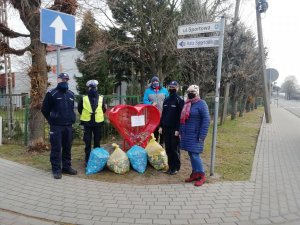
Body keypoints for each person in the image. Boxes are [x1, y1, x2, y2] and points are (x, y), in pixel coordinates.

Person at [41, 72, 77, 179]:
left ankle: (66, 167)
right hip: (56, 126)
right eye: (63, 79)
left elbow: (71, 109)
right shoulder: (51, 94)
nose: (64, 81)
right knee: (56, 148)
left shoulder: (71, 94)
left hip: (68, 126)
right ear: (58, 80)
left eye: (66, 79)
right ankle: (56, 169)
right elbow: (44, 109)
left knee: (67, 147)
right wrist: (52, 120)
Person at [179, 85, 210, 186]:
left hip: (196, 134)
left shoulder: (202, 104)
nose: (190, 93)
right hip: (187, 134)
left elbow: (206, 120)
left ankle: (202, 175)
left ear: (197, 92)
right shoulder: (187, 103)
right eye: (188, 92)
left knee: (195, 155)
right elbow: (183, 120)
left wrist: (202, 134)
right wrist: (181, 131)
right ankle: (195, 173)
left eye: (192, 91)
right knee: (191, 154)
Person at [78, 80, 107, 164]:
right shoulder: (84, 98)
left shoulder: (101, 98)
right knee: (87, 141)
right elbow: (80, 109)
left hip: (98, 122)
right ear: (89, 88)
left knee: (97, 141)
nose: (93, 89)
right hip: (87, 123)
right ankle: (87, 159)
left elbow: (103, 109)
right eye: (92, 87)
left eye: (94, 87)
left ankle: (96, 158)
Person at [158, 81, 184, 175]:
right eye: (170, 86)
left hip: (174, 129)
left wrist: (178, 129)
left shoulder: (179, 100)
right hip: (165, 128)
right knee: (168, 148)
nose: (172, 88)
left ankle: (176, 167)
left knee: (174, 148)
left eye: (174, 87)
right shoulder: (166, 100)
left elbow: (180, 117)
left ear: (177, 88)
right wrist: (161, 126)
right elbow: (163, 115)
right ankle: (170, 167)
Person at [143, 76, 169, 144]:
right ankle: (155, 144)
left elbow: (168, 100)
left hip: (163, 114)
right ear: (151, 82)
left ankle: (161, 145)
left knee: (163, 130)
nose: (155, 82)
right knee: (155, 131)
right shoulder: (148, 91)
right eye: (153, 81)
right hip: (153, 115)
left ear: (159, 82)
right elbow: (145, 100)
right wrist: (150, 103)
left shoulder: (164, 90)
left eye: (156, 81)